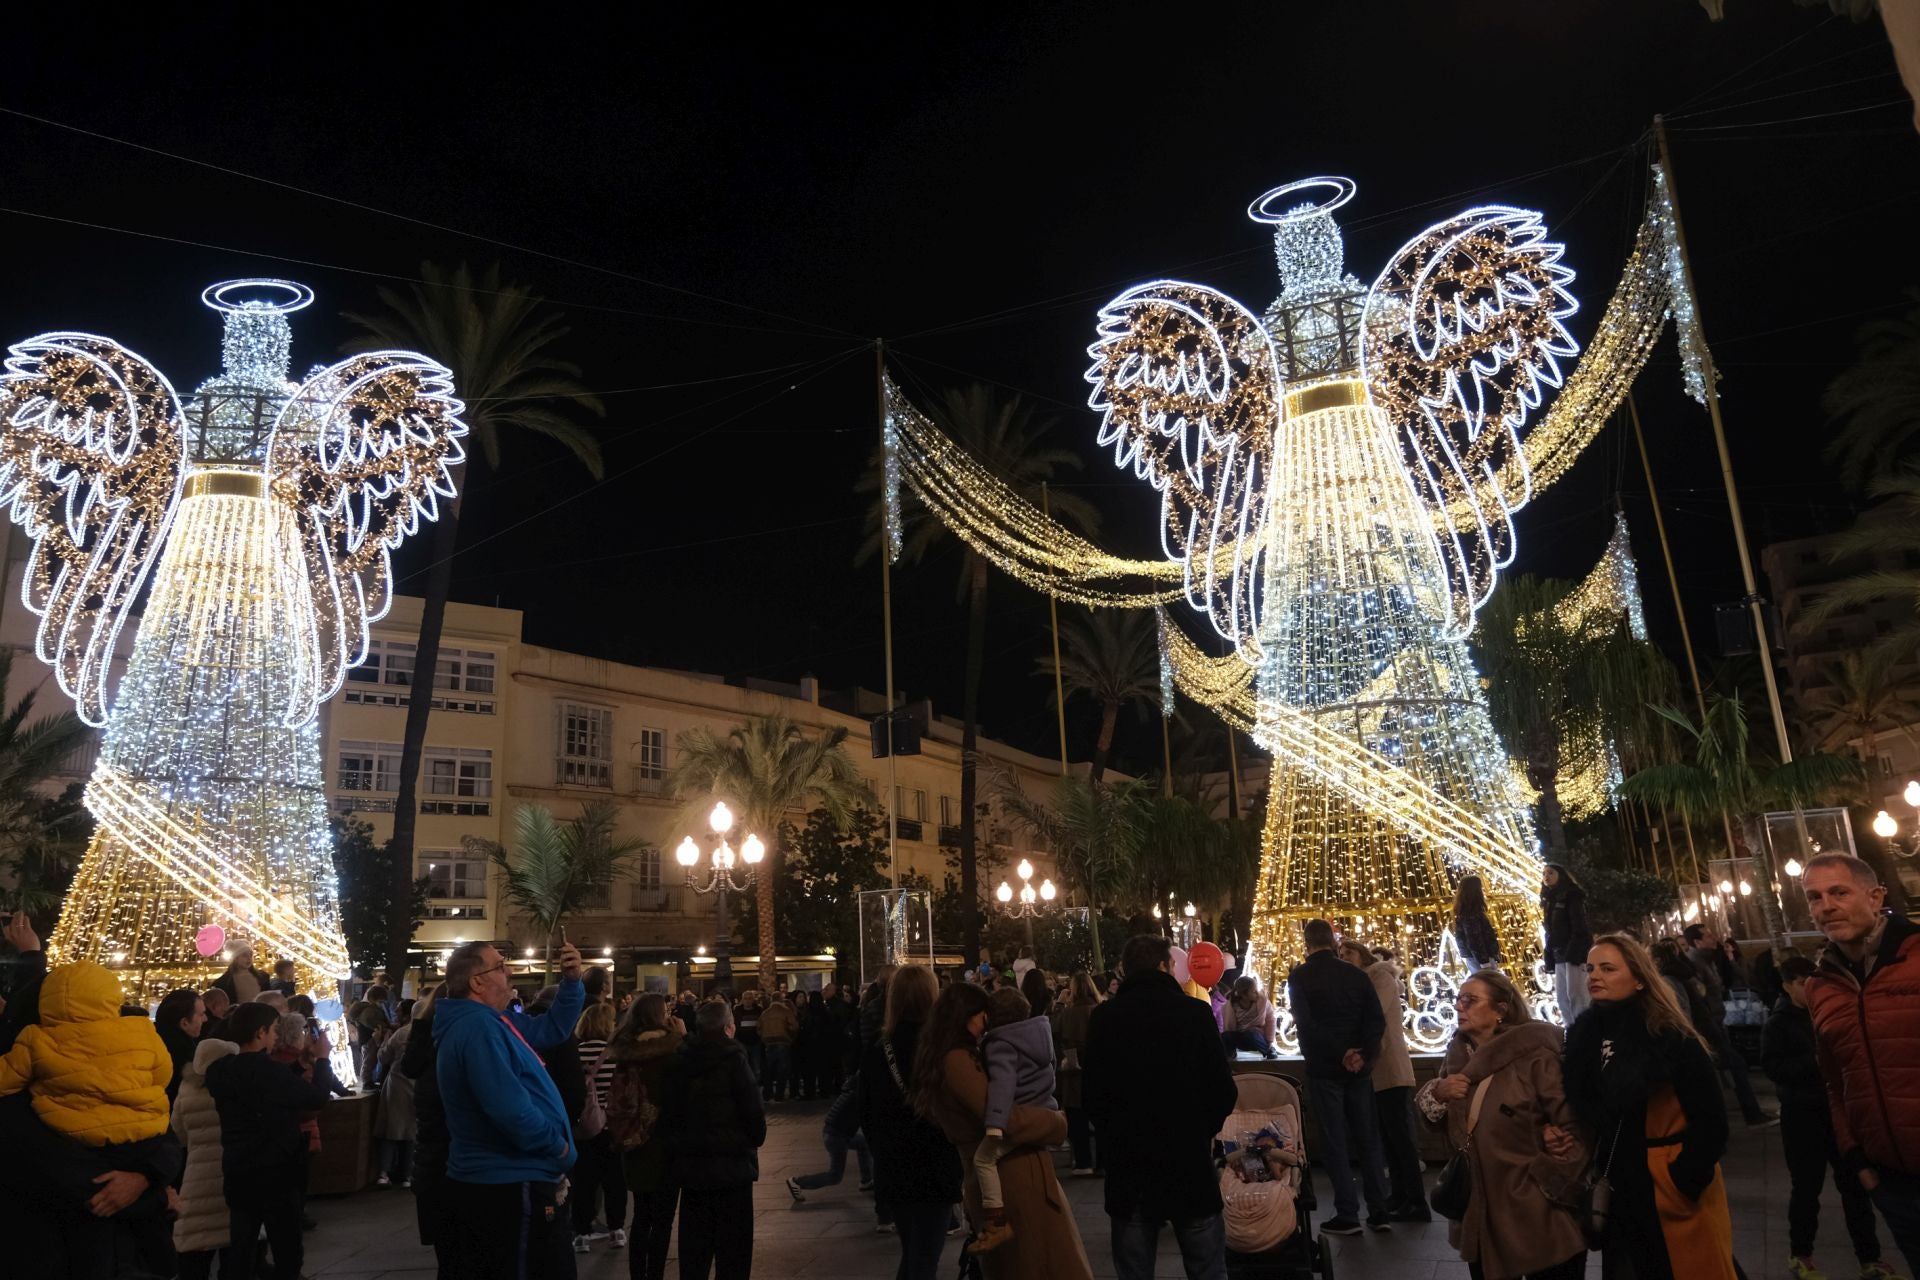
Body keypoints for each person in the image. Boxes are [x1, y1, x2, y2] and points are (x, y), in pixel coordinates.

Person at [1562, 933, 1736, 1280]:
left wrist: (1682, 1180)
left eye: (1608, 968)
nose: (1595, 976)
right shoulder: (1583, 1038)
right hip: (1615, 1184)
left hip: (1666, 1182)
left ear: (1639, 978)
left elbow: (1712, 1120)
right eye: (1591, 968)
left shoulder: (1669, 1037)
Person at [1417, 970, 1587, 1280]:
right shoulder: (1456, 1057)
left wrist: (1549, 1178)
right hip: (1480, 1212)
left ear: (1500, 1010)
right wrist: (1436, 1093)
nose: (1459, 1007)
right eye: (1458, 999)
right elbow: (1445, 1129)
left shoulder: (1535, 1056)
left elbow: (1574, 1126)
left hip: (1536, 1211)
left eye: (1471, 1000)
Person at [916, 981, 1092, 1280]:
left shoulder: (958, 1055)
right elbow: (1002, 1118)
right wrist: (1056, 1123)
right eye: (981, 1014)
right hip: (1012, 1178)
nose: (986, 1022)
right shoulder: (957, 1060)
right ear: (964, 1014)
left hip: (1012, 1174)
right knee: (1035, 1265)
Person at [1085, 933, 1236, 1280]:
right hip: (1188, 1160)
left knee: (1134, 1267)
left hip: (1129, 1166)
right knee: (1206, 1267)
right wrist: (1201, 1130)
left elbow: (1093, 1095)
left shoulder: (1106, 1019)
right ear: (1164, 965)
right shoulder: (1195, 1014)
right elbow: (1222, 1089)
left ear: (1125, 970)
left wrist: (1114, 1136)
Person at [434, 939, 585, 1280]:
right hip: (509, 1182)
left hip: (511, 1179)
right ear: (476, 982)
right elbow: (510, 1110)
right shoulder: (478, 1028)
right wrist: (558, 1147)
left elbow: (551, 1029)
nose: (510, 971)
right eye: (500, 967)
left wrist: (572, 983)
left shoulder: (493, 1022)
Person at [1801, 852, 1920, 1268]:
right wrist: (1858, 1159)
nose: (1826, 906)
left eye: (1839, 892)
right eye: (1814, 898)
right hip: (1892, 1182)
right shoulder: (1821, 986)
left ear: (1875, 897)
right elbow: (1835, 1080)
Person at [1761, 954, 1893, 1280]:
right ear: (1787, 986)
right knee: (1807, 1189)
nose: (1810, 990)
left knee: (1855, 1189)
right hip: (1802, 1115)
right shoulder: (1778, 1024)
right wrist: (1813, 1064)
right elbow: (1774, 1068)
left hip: (1838, 1114)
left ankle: (1870, 1259)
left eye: (1814, 983)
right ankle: (1801, 1254)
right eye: (1803, 984)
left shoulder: (1827, 1013)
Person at [206, 1000, 336, 1280]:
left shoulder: (220, 1071)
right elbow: (315, 1098)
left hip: (237, 1166)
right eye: (275, 1029)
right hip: (276, 1168)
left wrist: (299, 1067)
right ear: (260, 1032)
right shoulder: (269, 1072)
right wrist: (323, 1060)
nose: (277, 1035)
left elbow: (270, 1087)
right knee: (286, 1242)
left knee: (242, 1239)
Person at [1287, 919, 1391, 1234]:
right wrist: (1360, 1053)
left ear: (1307, 943)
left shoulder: (1300, 977)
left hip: (1324, 1068)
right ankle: (1379, 1210)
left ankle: (1347, 1212)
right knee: (1367, 1138)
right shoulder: (1356, 975)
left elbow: (1306, 1024)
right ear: (1333, 941)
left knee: (1335, 1142)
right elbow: (1375, 1020)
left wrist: (1339, 1052)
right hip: (1358, 1069)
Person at [0, 959, 173, 1147]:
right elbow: (163, 1075)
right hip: (141, 1131)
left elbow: (6, 1076)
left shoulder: (37, 1038)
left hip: (70, 1131)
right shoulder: (141, 1030)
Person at [859, 965, 959, 1279]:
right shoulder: (943, 1048)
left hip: (894, 1162)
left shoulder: (878, 1050)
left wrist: (882, 1150)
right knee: (926, 1255)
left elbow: (866, 1111)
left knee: (913, 1251)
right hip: (936, 1161)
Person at [664, 999, 766, 1280]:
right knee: (733, 1252)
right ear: (728, 1028)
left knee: (694, 1251)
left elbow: (670, 1112)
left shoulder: (682, 1060)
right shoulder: (735, 1060)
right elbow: (753, 1114)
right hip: (732, 1169)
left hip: (693, 1169)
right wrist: (749, 1140)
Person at [1340, 940, 1429, 1222]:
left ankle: (1416, 1201)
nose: (1344, 958)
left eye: (1349, 952)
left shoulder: (1380, 976)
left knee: (1401, 1138)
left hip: (1389, 1068)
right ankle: (1400, 1196)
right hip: (1374, 1072)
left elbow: (1374, 1014)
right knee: (1389, 1139)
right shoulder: (1359, 983)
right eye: (1340, 955)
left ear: (1362, 954)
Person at [965, 986, 1057, 1254]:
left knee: (984, 1159)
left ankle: (996, 1220)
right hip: (1044, 1108)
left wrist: (995, 1123)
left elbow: (1003, 1086)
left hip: (1019, 1114)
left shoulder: (1001, 1044)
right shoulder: (1040, 1034)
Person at [608, 993, 685, 1280]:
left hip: (634, 1141)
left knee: (641, 1215)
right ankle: (655, 1274)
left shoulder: (624, 1051)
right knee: (663, 1219)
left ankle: (637, 1273)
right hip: (665, 1142)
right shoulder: (671, 1049)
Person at [1680, 924, 1774, 1128]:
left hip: (1716, 1021)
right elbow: (1700, 996)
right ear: (1697, 942)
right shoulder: (1695, 963)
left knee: (1727, 1069)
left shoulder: (1709, 959)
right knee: (1735, 1065)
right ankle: (1751, 1115)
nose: (1714, 938)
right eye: (1708, 935)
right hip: (1709, 1025)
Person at [172, 1037, 238, 1280]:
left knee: (194, 1241)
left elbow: (178, 1132)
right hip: (233, 1171)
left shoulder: (186, 1089)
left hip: (197, 1175)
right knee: (235, 1243)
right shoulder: (238, 1088)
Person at [401, 984, 453, 1265]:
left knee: (447, 1254)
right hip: (453, 1157)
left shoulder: (422, 1037)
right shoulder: (457, 1043)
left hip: (429, 1156)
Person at [570, 1000, 627, 1254]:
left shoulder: (575, 1053)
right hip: (611, 1126)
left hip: (583, 1127)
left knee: (584, 1181)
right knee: (614, 1179)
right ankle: (617, 1229)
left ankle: (581, 1232)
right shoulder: (615, 1053)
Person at [1052, 970, 1101, 1176]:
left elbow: (1053, 1031)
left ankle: (1083, 1162)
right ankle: (1102, 1161)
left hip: (1072, 1069)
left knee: (1077, 1118)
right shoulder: (1099, 1010)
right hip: (1097, 1069)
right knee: (1099, 1118)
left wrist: (1059, 1005)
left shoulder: (1067, 1014)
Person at [1540, 864, 1592, 1025]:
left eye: (1550, 873)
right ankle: (1572, 1031)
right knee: (1562, 998)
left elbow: (1579, 926)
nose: (1546, 876)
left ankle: (1585, 1030)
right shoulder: (1549, 900)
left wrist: (1574, 951)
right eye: (1544, 874)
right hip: (1559, 954)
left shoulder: (1571, 896)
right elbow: (1550, 931)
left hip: (1573, 953)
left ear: (1561, 875)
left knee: (1577, 995)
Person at [374, 1001, 418, 1189]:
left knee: (391, 1132)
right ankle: (407, 1175)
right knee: (411, 1133)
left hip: (397, 1085)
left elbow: (384, 1057)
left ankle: (384, 1173)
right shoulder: (432, 1033)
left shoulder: (401, 1033)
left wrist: (380, 1042)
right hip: (418, 1086)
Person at [155, 986, 207, 1103]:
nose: (205, 1019)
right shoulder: (181, 1055)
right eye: (201, 1014)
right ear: (184, 1023)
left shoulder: (154, 1041)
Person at [1219, 974, 1279, 1059]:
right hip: (1241, 1036)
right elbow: (1228, 1026)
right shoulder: (1231, 1005)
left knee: (1251, 1033)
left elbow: (1271, 1020)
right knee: (1225, 1035)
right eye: (1254, 991)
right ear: (1244, 995)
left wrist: (1270, 1041)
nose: (1257, 993)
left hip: (1257, 1037)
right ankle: (1230, 1053)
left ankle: (1268, 1050)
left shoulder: (1263, 1002)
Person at [1452, 875, 1502, 974]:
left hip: (1477, 957)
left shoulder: (1466, 912)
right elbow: (1474, 939)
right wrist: (1484, 963)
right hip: (1481, 959)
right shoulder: (1471, 914)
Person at [758, 985, 797, 1103]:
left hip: (768, 1043)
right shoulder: (786, 1011)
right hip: (783, 1042)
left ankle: (767, 1093)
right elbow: (794, 1026)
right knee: (782, 1070)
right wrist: (791, 1037)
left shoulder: (765, 1013)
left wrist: (764, 1037)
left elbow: (759, 1028)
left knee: (768, 1070)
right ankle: (779, 1095)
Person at [733, 988, 764, 1085]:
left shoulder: (759, 1010)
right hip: (742, 1041)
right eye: (745, 998)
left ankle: (755, 1086)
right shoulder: (737, 1010)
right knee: (743, 1066)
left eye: (750, 998)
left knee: (756, 1066)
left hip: (756, 1042)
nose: (747, 1000)